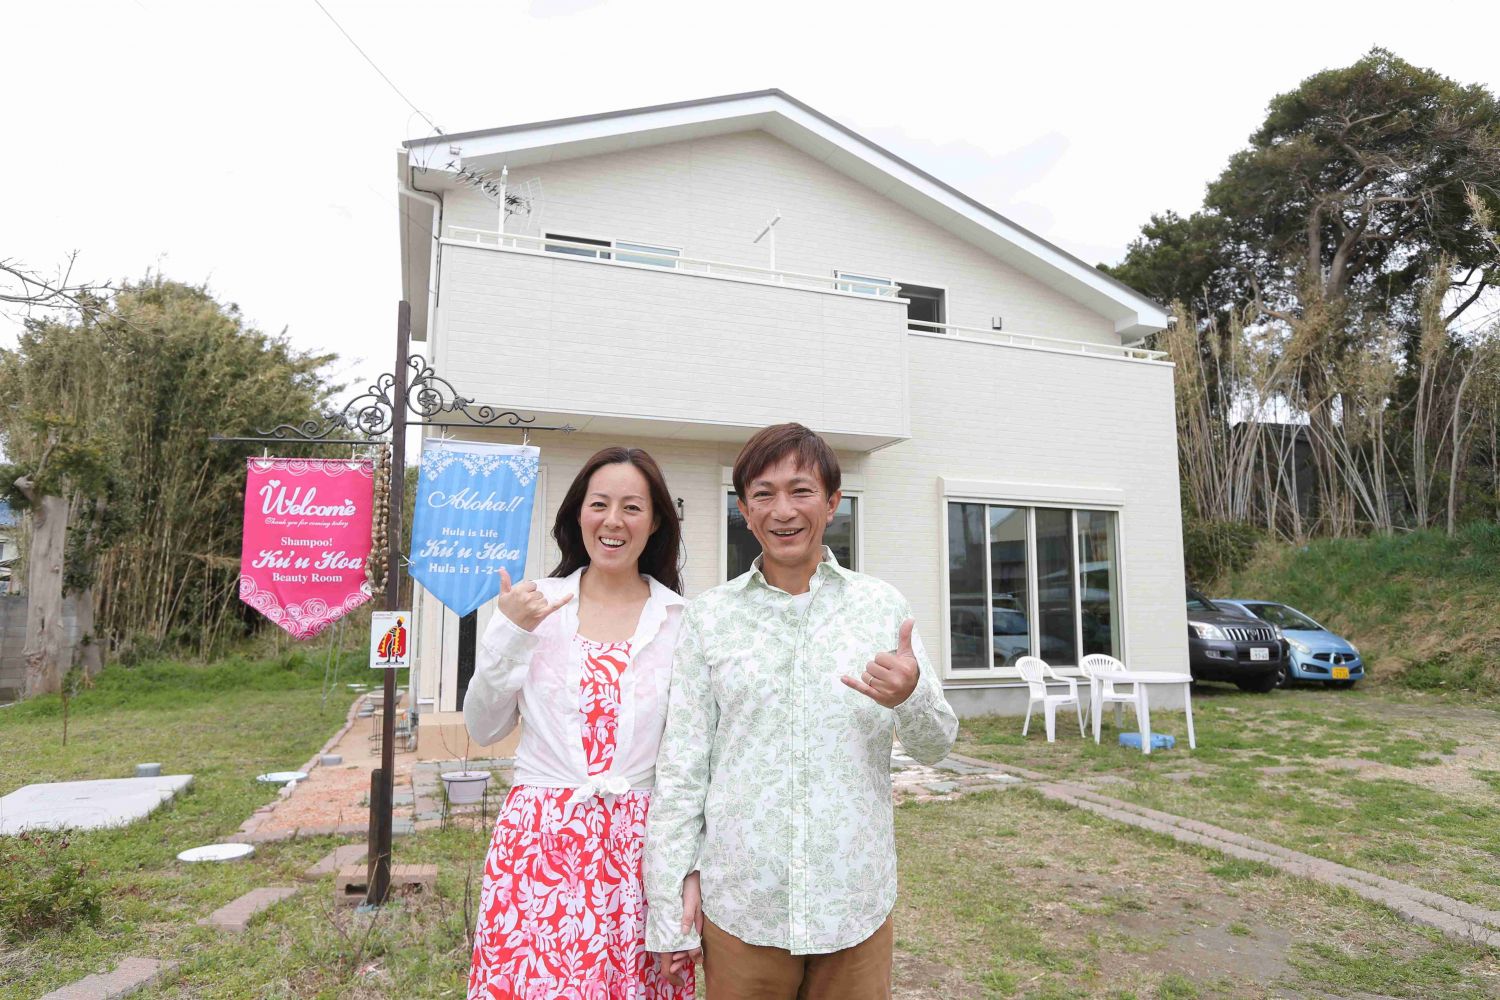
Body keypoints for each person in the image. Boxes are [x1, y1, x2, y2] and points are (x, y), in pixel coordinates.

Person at [644, 422, 958, 999]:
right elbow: (682, 768)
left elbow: (937, 745)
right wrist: (668, 901)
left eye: (801, 490)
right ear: (743, 509)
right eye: (763, 494)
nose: (782, 510)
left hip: (853, 902)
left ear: (833, 502)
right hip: (744, 904)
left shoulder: (880, 606)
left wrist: (910, 696)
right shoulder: (710, 618)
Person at [465, 446, 695, 999]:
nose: (613, 521)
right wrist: (509, 633)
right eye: (600, 504)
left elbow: (692, 759)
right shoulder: (534, 605)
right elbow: (483, 726)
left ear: (656, 520)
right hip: (538, 844)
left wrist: (688, 871)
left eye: (632, 507)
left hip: (639, 849)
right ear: (576, 515)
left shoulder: (682, 621)